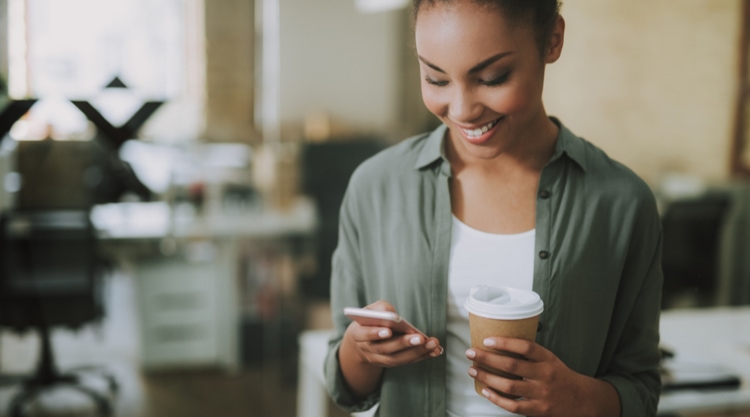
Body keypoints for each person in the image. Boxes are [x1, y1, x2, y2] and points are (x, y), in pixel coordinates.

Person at [324, 0, 663, 416]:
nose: (463, 110)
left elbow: (641, 391)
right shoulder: (376, 186)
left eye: (492, 77)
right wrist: (360, 351)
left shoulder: (622, 203)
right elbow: (346, 387)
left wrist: (575, 397)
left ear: (552, 39)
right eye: (435, 78)